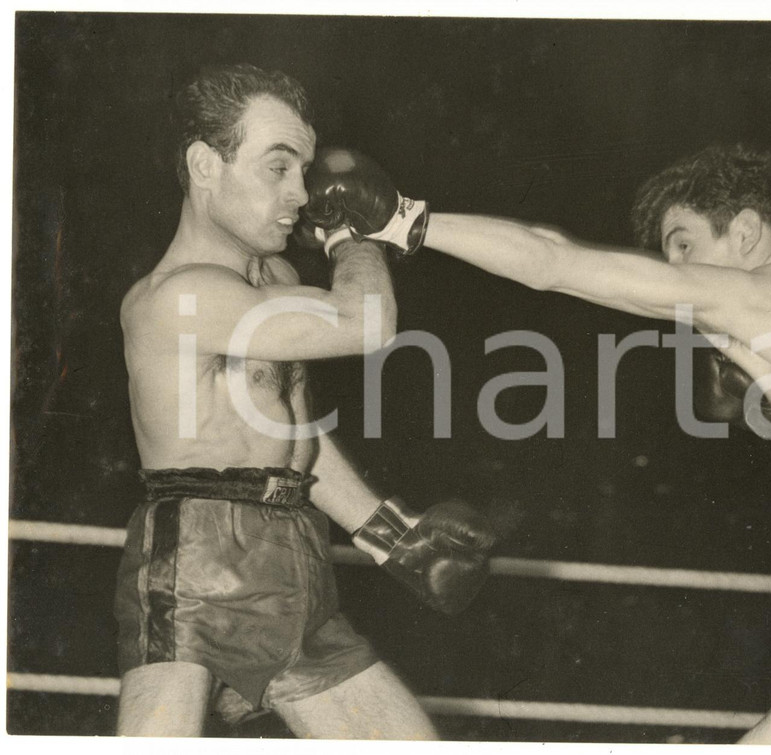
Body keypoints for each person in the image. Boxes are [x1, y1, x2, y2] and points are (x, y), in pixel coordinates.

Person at [304, 143, 771, 745]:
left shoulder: (765, 299)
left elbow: (554, 262)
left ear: (746, 230)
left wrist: (404, 221)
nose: (677, 266)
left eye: (685, 243)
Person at [115, 63, 496, 738]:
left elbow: (295, 433)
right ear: (205, 165)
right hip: (198, 557)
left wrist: (389, 535)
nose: (302, 192)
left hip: (293, 553)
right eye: (277, 168)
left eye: (306, 170)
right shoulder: (180, 296)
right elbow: (366, 323)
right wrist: (352, 234)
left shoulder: (278, 278)